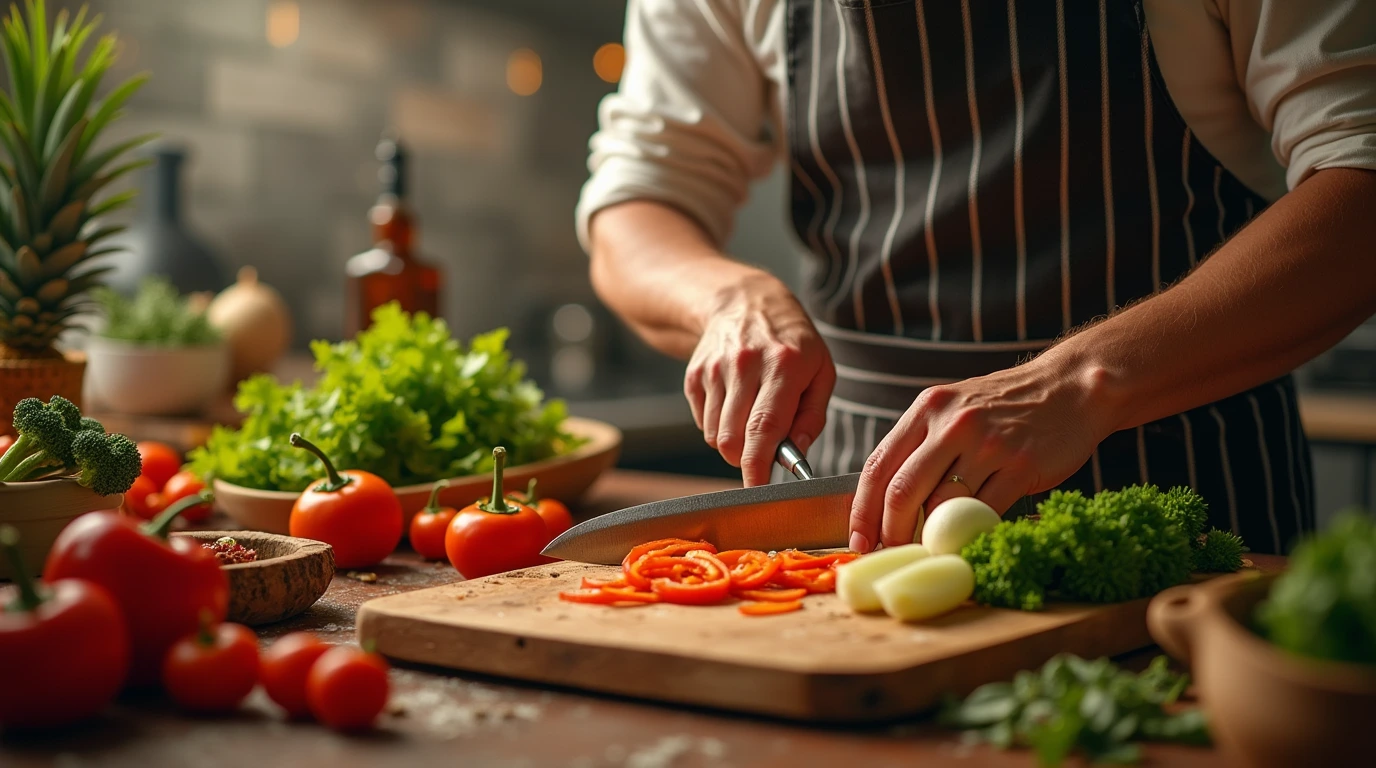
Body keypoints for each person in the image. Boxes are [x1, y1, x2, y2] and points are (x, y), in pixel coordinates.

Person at [576, 0, 1376, 555]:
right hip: (860, 493)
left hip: (1182, 483)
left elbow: (1360, 175)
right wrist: (726, 298)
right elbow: (640, 200)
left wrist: (1082, 383)